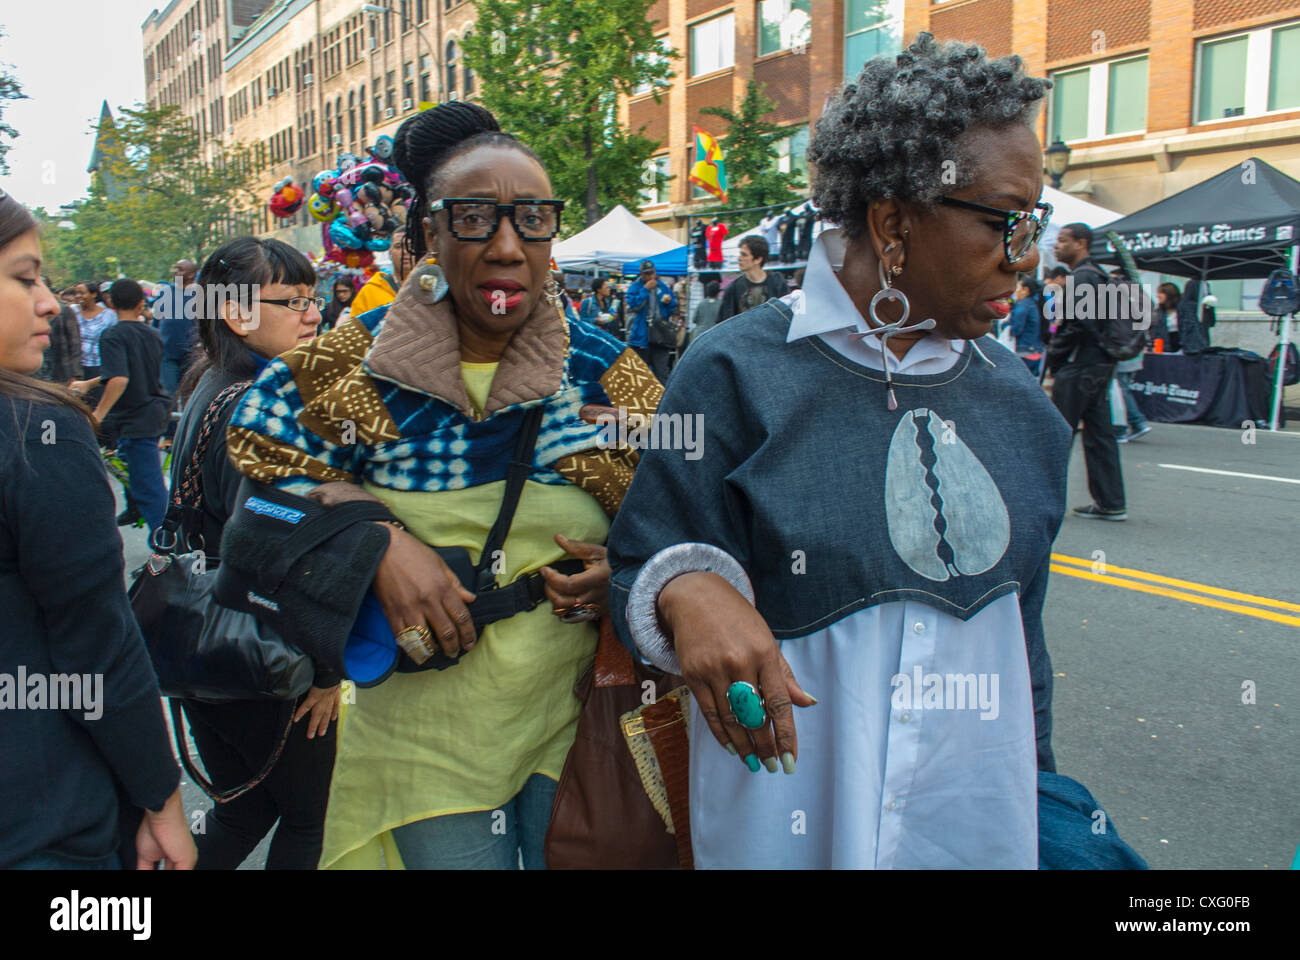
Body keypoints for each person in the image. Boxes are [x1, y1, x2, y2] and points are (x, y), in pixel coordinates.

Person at [608, 32, 1072, 868]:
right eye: (1004, 221)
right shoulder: (736, 370)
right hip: (785, 829)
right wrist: (686, 588)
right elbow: (637, 561)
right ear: (893, 222)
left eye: (1035, 224)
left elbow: (1026, 649)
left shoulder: (1022, 405)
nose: (1025, 256)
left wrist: (1043, 790)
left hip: (974, 833)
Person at [223, 101, 663, 870]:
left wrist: (625, 575)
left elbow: (679, 511)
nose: (505, 244)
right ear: (428, 234)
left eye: (532, 219)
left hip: (576, 713)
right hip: (426, 738)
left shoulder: (603, 368)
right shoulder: (343, 367)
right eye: (471, 219)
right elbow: (261, 490)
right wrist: (378, 542)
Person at [0, 188, 194, 871]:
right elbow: (96, 640)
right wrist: (161, 796)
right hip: (43, 824)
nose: (49, 301)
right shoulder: (34, 436)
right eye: (25, 278)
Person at [173, 237, 339, 870]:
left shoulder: (208, 382)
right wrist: (326, 670)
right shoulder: (260, 405)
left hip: (197, 640)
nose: (314, 314)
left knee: (246, 807)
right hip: (259, 651)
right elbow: (271, 550)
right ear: (238, 314)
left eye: (314, 298)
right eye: (293, 301)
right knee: (309, 817)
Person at [70, 280, 171, 532]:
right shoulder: (153, 334)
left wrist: (97, 414)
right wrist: (88, 385)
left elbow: (119, 378)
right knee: (131, 466)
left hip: (138, 419)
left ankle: (167, 549)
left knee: (149, 489)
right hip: (155, 411)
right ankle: (139, 509)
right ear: (141, 303)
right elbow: (125, 372)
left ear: (110, 303)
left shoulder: (113, 335)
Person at [1046, 222, 1127, 521]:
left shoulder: (1082, 278)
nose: (1057, 245)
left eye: (1063, 240)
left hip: (1080, 365)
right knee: (1099, 433)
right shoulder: (1099, 276)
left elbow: (1078, 325)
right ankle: (1111, 501)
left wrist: (1055, 357)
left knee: (1057, 432)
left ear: (1080, 243)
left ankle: (1042, 499)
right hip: (1101, 363)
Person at [624, 258, 677, 382]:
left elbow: (672, 308)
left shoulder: (662, 287)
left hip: (660, 334)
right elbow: (633, 306)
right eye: (647, 273)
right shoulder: (635, 287)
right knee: (640, 374)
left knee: (662, 373)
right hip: (640, 337)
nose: (650, 276)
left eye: (652, 273)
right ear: (641, 274)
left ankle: (663, 400)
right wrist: (645, 290)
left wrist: (670, 303)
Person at [718, 235, 789, 322]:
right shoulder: (733, 288)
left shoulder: (777, 283)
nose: (739, 258)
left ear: (758, 259)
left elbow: (787, 315)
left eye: (744, 255)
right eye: (740, 254)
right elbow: (723, 323)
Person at [154, 258, 199, 396]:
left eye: (180, 269)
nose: (175, 271)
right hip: (167, 352)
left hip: (191, 353)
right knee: (168, 394)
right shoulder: (165, 292)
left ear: (191, 274)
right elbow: (156, 321)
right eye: (175, 268)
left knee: (189, 394)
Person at [350, 226, 415, 317]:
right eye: (398, 246)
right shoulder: (369, 292)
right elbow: (356, 329)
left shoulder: (431, 287)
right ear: (390, 251)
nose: (405, 251)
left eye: (410, 246)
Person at [34, 279, 82, 383]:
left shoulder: (63, 310)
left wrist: (76, 373)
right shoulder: (26, 310)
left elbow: (75, 343)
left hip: (60, 369)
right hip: (35, 372)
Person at [73, 279, 116, 383]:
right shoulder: (72, 312)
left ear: (93, 294)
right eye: (76, 293)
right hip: (76, 367)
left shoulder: (109, 315)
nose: (78, 296)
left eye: (82, 293)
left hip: (100, 366)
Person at [1008, 274, 1043, 374]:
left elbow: (1016, 329)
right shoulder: (1032, 303)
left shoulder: (1023, 305)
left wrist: (1004, 325)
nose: (1016, 290)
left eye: (1018, 286)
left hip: (1024, 351)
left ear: (1025, 290)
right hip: (1034, 350)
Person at [1150, 281, 1180, 352]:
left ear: (1169, 294)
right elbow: (1153, 332)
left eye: (1161, 293)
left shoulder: (1181, 311)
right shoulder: (1157, 312)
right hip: (1162, 348)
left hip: (1180, 348)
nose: (1157, 295)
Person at [689, 280, 722, 344]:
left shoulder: (701, 304)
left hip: (699, 336)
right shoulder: (721, 305)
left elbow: (694, 319)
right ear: (718, 292)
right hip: (715, 336)